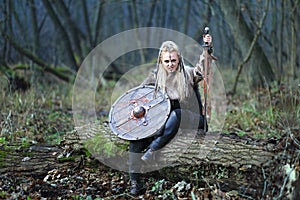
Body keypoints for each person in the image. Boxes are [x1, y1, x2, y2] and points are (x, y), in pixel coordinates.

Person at [129, 34, 213, 195]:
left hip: (191, 119)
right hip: (163, 123)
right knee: (136, 139)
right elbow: (138, 97)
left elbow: (202, 70)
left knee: (176, 114)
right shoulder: (154, 78)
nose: (170, 64)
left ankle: (153, 150)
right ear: (161, 61)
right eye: (166, 61)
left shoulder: (187, 73)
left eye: (173, 60)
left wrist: (206, 50)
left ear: (179, 59)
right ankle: (136, 182)